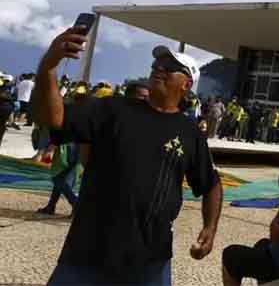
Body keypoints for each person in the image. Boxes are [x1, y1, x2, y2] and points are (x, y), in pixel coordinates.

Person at [31, 27, 223, 286]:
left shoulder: (190, 133)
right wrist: (48, 68)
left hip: (149, 262)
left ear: (186, 84)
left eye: (169, 66)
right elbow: (53, 120)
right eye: (157, 63)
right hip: (88, 253)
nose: (159, 68)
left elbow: (211, 184)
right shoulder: (112, 109)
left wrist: (210, 228)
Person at [36, 141, 81, 216]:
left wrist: (44, 153)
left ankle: (75, 203)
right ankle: (51, 206)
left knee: (59, 179)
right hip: (75, 150)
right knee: (60, 181)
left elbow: (57, 139)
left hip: (66, 152)